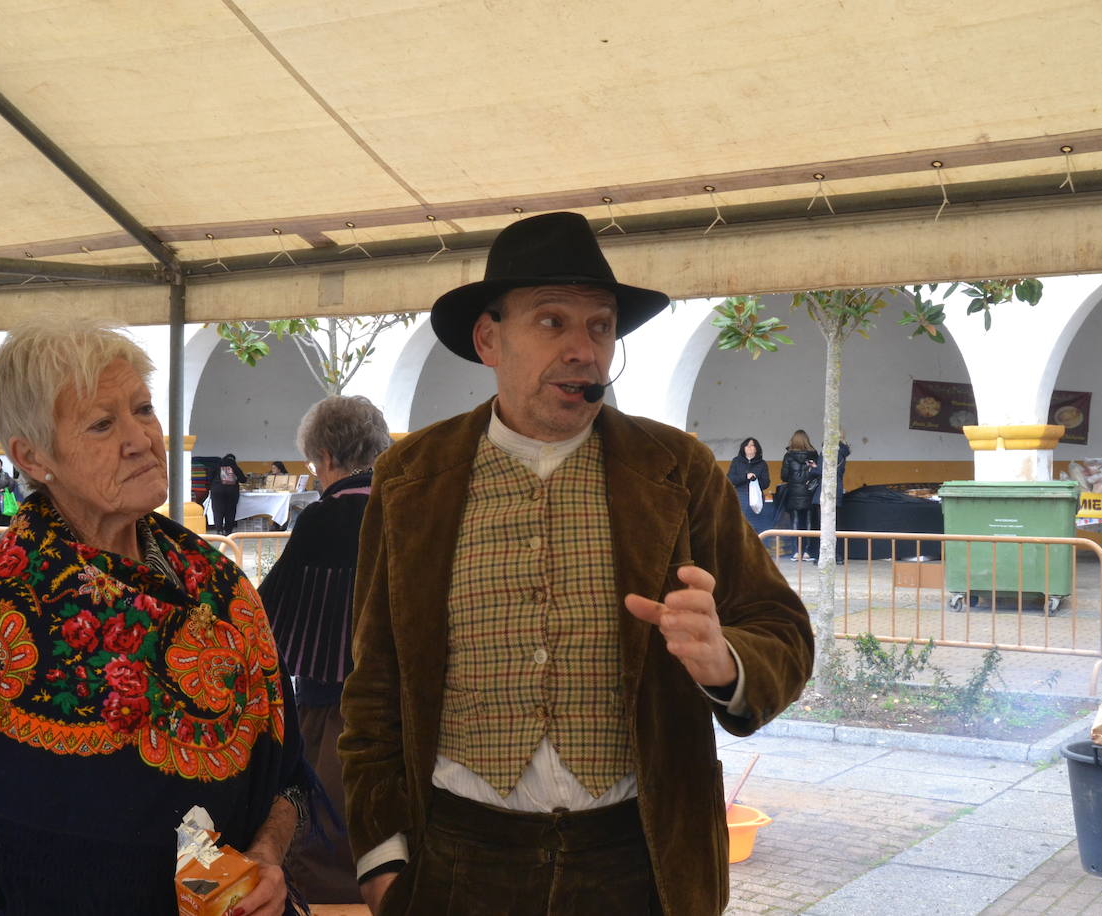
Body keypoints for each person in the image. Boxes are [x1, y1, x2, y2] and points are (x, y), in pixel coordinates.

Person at [338, 212, 813, 916]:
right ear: (489, 339)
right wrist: (382, 862)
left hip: (636, 862)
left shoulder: (677, 472)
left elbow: (783, 631)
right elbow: (373, 683)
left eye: (599, 326)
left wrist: (725, 662)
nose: (583, 350)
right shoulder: (412, 478)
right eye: (552, 322)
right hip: (458, 860)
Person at [0, 316, 316, 915]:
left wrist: (268, 857)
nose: (140, 438)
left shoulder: (217, 585)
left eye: (143, 409)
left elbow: (287, 771)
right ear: (34, 456)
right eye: (101, 423)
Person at [259, 396, 392, 904]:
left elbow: (269, 611)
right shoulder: (399, 508)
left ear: (327, 459)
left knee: (327, 827)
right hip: (399, 706)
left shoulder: (323, 519)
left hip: (331, 705)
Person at [779, 430, 822, 561]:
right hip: (810, 492)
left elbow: (784, 476)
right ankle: (808, 551)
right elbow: (819, 472)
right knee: (809, 522)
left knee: (795, 522)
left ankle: (796, 551)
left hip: (794, 493)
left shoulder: (788, 456)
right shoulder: (814, 455)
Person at [809, 434, 851, 563]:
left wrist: (812, 469)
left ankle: (824, 556)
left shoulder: (827, 451)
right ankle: (837, 556)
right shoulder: (842, 453)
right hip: (836, 491)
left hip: (825, 491)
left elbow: (822, 471)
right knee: (834, 526)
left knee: (823, 526)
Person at [728, 437, 772, 535]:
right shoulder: (736, 461)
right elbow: (730, 479)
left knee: (755, 527)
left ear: (757, 449)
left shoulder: (762, 464)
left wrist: (755, 480)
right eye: (747, 445)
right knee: (738, 526)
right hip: (739, 498)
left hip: (756, 501)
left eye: (752, 445)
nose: (749, 447)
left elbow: (766, 483)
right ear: (743, 448)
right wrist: (745, 477)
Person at [211, 452, 248, 535]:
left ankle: (219, 530)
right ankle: (228, 530)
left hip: (217, 491)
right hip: (231, 492)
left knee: (217, 511)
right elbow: (243, 479)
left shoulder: (216, 466)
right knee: (230, 511)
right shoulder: (234, 467)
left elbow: (210, 477)